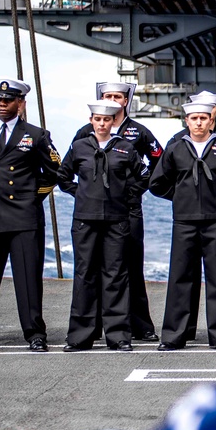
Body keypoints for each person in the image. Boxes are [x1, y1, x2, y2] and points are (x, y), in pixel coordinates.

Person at [149, 101, 216, 350]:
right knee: (180, 278)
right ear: (186, 121)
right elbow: (158, 183)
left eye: (203, 118)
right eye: (193, 118)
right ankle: (174, 336)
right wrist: (181, 196)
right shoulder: (175, 149)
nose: (198, 123)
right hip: (184, 221)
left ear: (210, 120)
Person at [72, 81, 163, 341]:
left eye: (117, 96)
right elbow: (75, 163)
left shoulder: (138, 132)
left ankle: (140, 325)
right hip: (93, 211)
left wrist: (134, 191)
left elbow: (159, 160)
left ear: (126, 101)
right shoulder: (84, 133)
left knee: (130, 265)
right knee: (93, 268)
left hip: (128, 209)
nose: (112, 99)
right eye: (107, 95)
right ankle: (96, 326)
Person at [57, 100, 148, 351]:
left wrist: (127, 197)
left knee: (116, 276)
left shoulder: (125, 148)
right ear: (91, 121)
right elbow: (63, 176)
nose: (102, 124)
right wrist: (80, 193)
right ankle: (79, 337)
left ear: (112, 122)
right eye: (97, 119)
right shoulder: (79, 147)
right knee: (84, 275)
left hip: (116, 221)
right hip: (85, 221)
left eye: (106, 120)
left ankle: (118, 336)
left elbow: (143, 176)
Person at [0, 79, 61, 352]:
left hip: (23, 217)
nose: (2, 104)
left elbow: (55, 171)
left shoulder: (35, 135)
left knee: (27, 280)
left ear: (20, 103)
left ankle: (35, 334)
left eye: (8, 100)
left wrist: (32, 197)